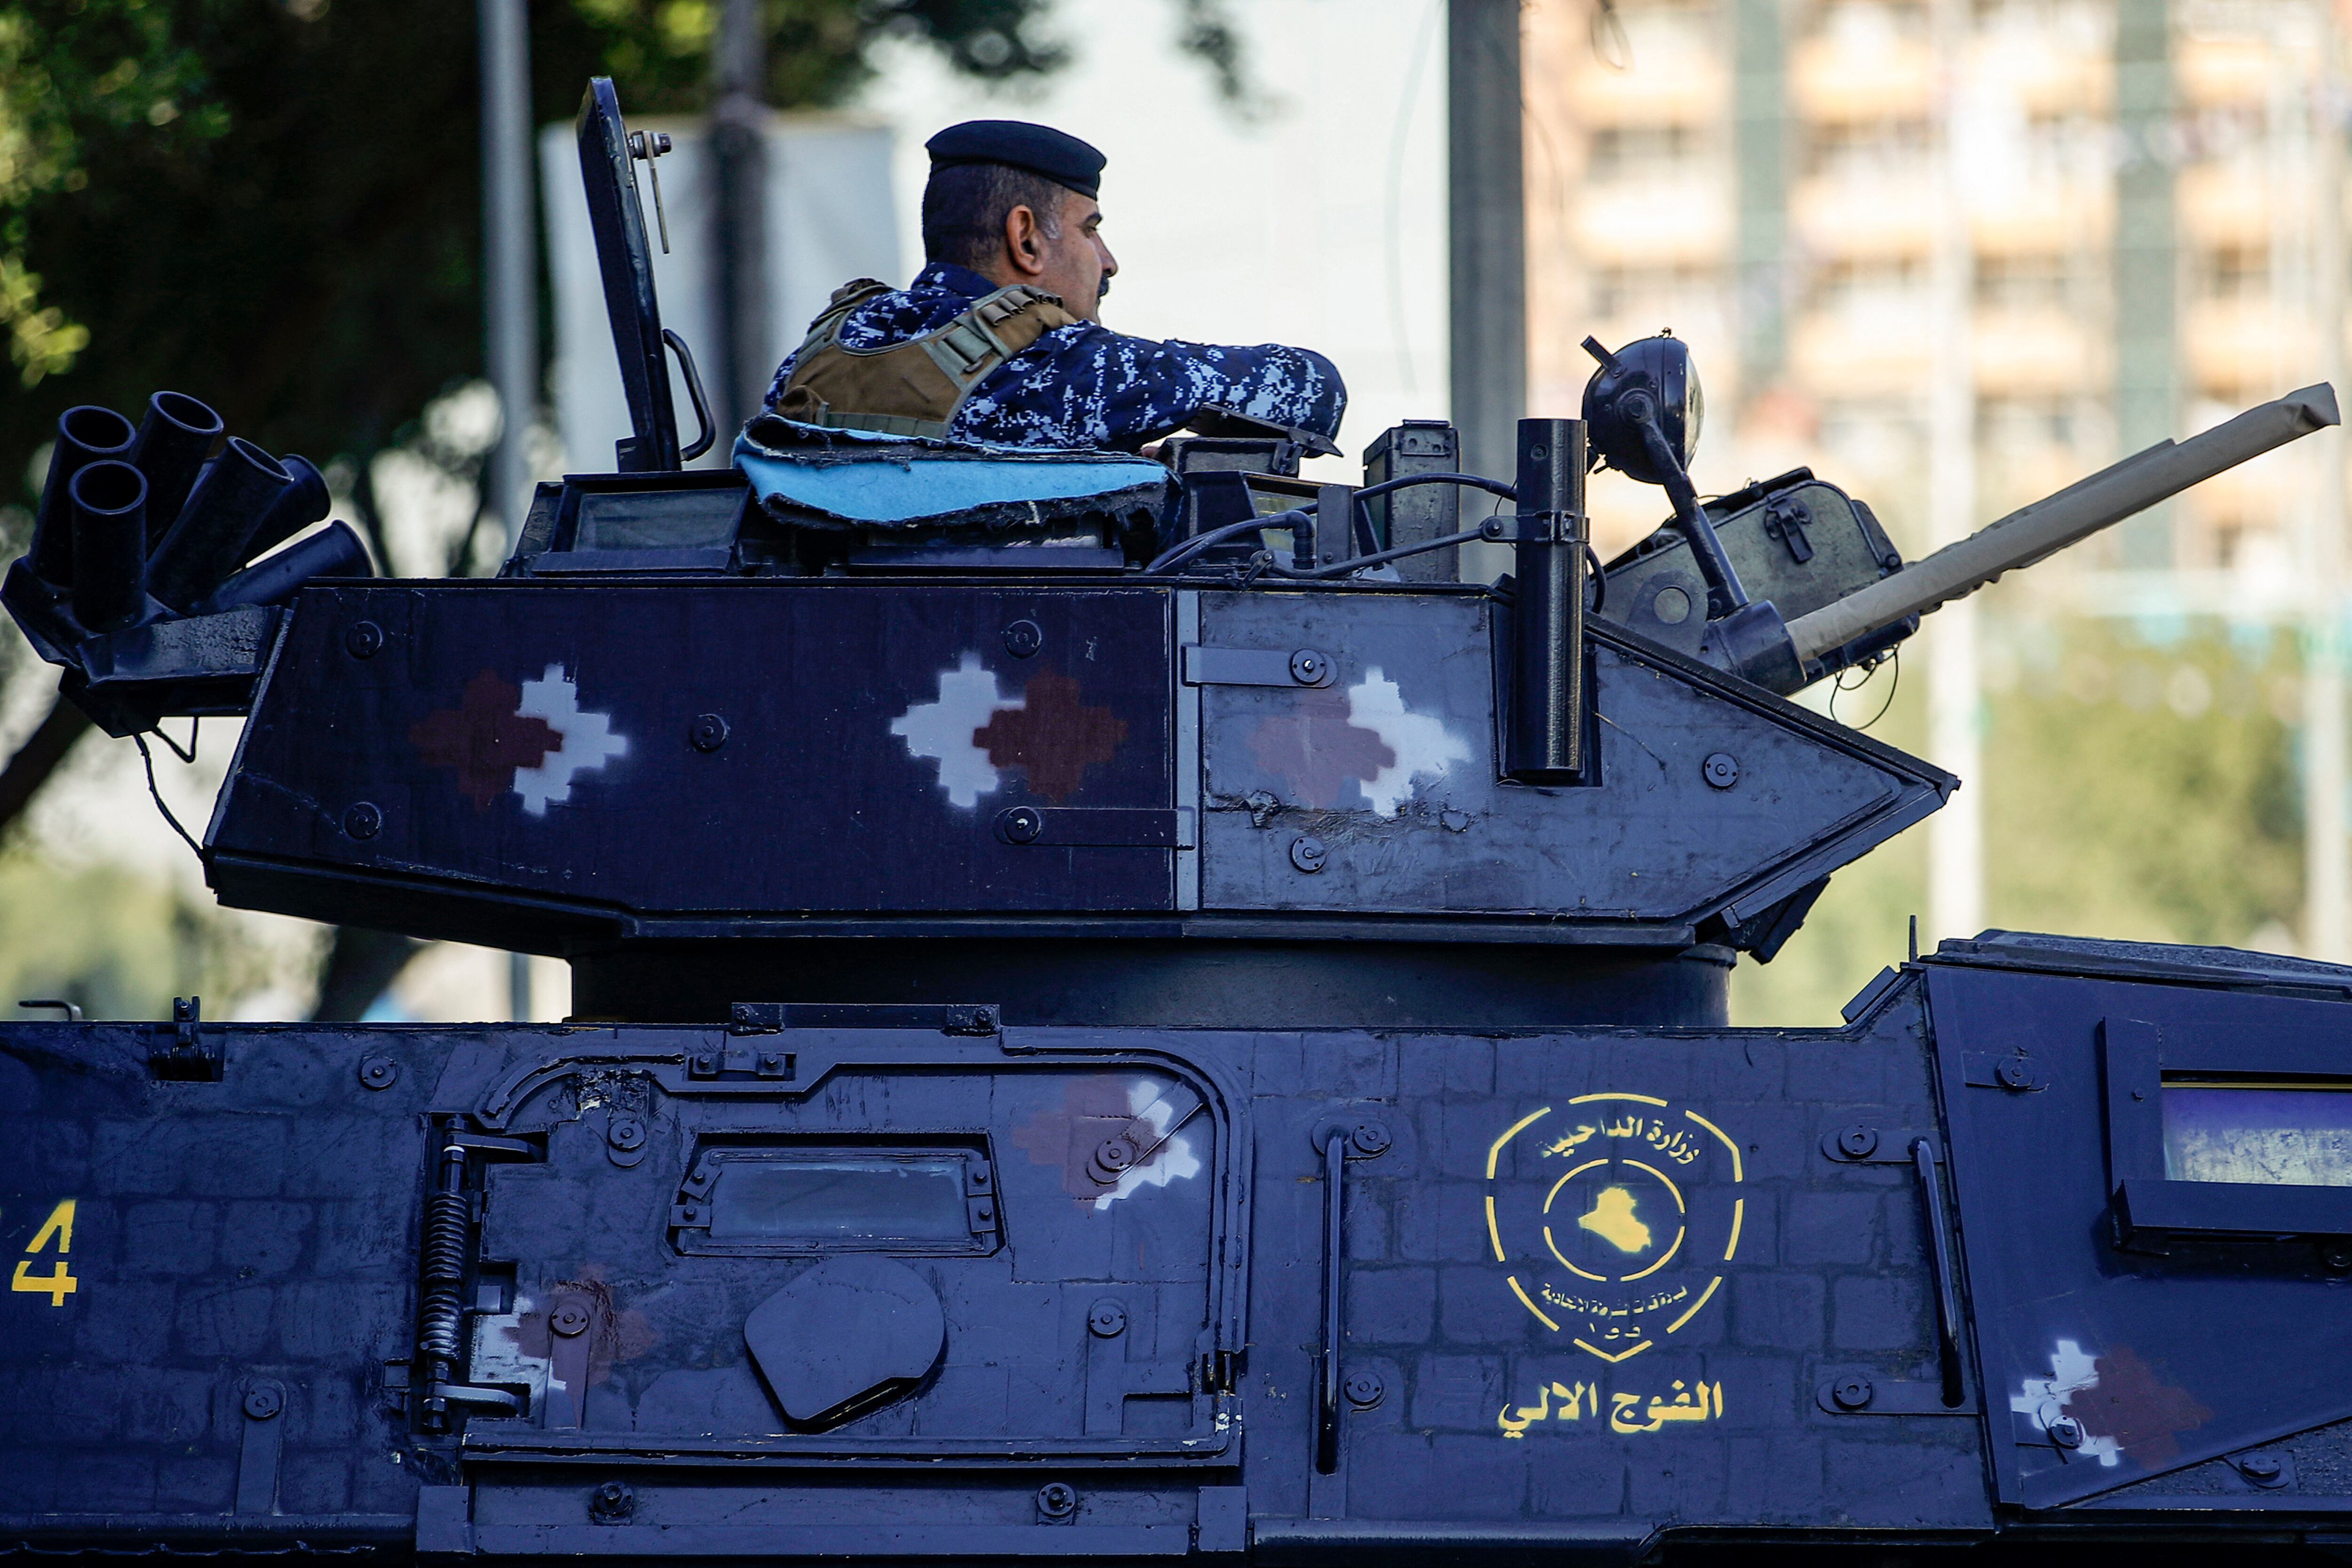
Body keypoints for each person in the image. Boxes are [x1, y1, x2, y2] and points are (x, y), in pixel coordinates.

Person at [765, 119, 1346, 452]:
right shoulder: (1053, 365)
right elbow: (1310, 387)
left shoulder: (825, 352)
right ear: (1026, 238)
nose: (1108, 261)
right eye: (1089, 230)